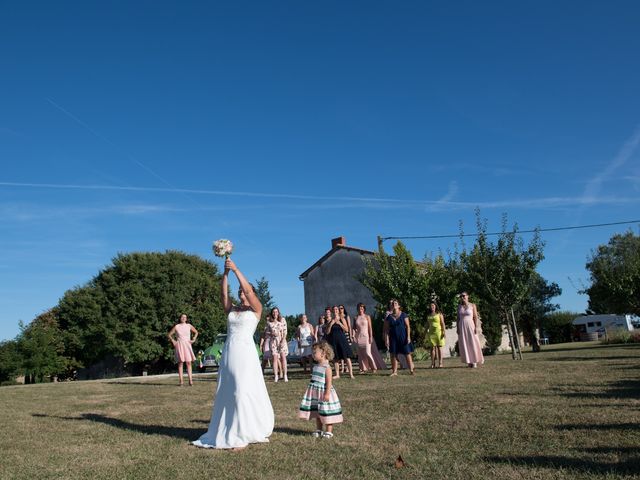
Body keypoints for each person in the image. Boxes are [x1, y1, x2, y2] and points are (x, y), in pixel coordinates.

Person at [193, 258, 274, 450]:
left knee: (241, 391)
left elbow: (247, 290)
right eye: (239, 293)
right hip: (230, 352)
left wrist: (236, 269)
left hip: (245, 353)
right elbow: (223, 294)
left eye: (244, 292)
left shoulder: (256, 309)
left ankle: (242, 433)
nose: (242, 294)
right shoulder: (232, 309)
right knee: (228, 391)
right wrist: (225, 274)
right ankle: (228, 428)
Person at [298, 341, 343, 439]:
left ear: (323, 353)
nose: (313, 355)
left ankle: (329, 431)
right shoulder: (316, 367)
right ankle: (319, 429)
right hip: (316, 393)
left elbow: (329, 382)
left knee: (326, 412)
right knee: (317, 412)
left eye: (315, 353)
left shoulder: (327, 368)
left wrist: (327, 394)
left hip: (323, 393)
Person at [383, 299, 415, 376]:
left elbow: (408, 327)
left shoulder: (404, 315)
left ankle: (411, 370)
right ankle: (394, 371)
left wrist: (408, 337)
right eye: (393, 303)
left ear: (399, 306)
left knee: (407, 353)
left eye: (396, 303)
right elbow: (386, 330)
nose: (394, 304)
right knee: (393, 354)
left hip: (403, 337)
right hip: (393, 338)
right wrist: (386, 339)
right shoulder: (389, 317)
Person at [168, 314, 198, 386]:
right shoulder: (177, 326)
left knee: (188, 362)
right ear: (180, 318)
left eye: (185, 317)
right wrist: (173, 341)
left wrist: (193, 339)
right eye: (182, 317)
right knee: (180, 363)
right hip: (180, 345)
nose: (183, 318)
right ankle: (181, 381)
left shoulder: (189, 326)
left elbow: (196, 332)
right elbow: (169, 334)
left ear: (186, 319)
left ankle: (190, 381)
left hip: (187, 345)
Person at [457, 292, 484, 368]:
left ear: (467, 296)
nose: (462, 297)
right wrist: (457, 328)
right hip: (462, 326)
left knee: (473, 342)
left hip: (471, 326)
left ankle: (474, 360)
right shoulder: (459, 306)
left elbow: (475, 317)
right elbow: (458, 318)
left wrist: (476, 327)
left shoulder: (472, 305)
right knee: (465, 343)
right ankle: (469, 361)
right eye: (461, 296)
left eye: (464, 296)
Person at [327, 305, 354, 379]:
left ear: (338, 311)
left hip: (342, 340)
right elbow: (327, 332)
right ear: (332, 311)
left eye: (336, 309)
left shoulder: (342, 318)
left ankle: (351, 374)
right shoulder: (330, 320)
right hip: (334, 341)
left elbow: (347, 329)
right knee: (335, 358)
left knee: (346, 357)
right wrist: (331, 324)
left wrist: (339, 323)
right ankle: (337, 374)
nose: (335, 310)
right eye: (334, 309)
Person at [353, 303, 376, 374]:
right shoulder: (355, 317)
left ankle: (373, 368)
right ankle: (363, 369)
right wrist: (353, 336)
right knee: (360, 354)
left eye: (362, 308)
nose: (361, 309)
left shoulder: (367, 317)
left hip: (366, 337)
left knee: (368, 353)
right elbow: (353, 328)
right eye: (359, 308)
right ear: (357, 309)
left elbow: (370, 328)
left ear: (364, 309)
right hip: (358, 337)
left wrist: (370, 337)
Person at [269, 307, 289, 382]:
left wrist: (283, 340)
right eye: (273, 312)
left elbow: (285, 331)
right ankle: (276, 376)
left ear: (278, 312)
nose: (275, 313)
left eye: (276, 312)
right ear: (272, 313)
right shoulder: (269, 322)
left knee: (283, 357)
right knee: (274, 358)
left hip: (281, 340)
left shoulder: (282, 320)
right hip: (273, 342)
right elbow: (266, 333)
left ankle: (285, 375)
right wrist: (272, 333)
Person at [427, 302, 446, 368]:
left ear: (435, 306)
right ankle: (432, 363)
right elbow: (427, 324)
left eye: (433, 305)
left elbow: (442, 323)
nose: (432, 307)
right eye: (430, 306)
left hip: (438, 332)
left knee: (439, 347)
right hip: (431, 333)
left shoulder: (439, 314)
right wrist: (424, 332)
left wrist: (444, 332)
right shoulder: (429, 315)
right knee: (432, 348)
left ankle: (440, 363)